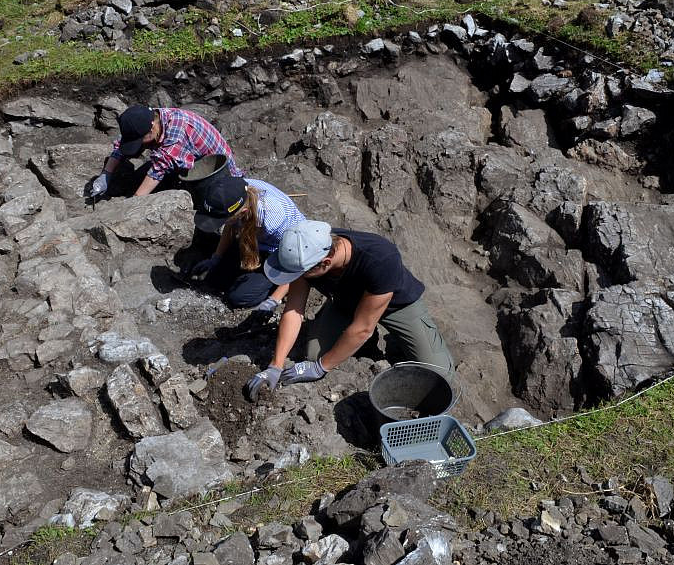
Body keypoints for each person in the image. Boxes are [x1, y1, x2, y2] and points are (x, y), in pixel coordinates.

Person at [244, 220, 455, 400]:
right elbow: (294, 309)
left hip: (396, 306)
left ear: (325, 263)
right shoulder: (307, 249)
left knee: (439, 376)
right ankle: (360, 344)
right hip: (347, 302)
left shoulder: (380, 258)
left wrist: (321, 368)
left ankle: (398, 340)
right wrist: (276, 365)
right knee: (315, 354)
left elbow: (363, 328)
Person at [191, 175, 306, 310]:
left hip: (281, 253)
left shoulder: (273, 218)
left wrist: (274, 300)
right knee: (213, 280)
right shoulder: (236, 191)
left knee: (238, 297)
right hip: (254, 239)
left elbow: (297, 262)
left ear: (242, 213)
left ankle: (272, 285)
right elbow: (230, 225)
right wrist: (216, 258)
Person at [88, 105, 242, 198]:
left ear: (152, 128)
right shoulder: (147, 119)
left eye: (141, 140)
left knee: (206, 198)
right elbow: (122, 145)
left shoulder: (176, 133)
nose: (140, 145)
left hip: (217, 169)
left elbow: (158, 169)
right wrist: (105, 175)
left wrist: (134, 203)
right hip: (187, 157)